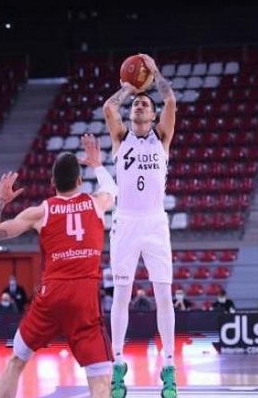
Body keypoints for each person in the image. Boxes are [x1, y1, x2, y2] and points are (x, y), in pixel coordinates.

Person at [0, 134, 117, 398]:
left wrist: (1, 201)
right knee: (101, 380)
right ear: (79, 181)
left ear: (52, 183)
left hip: (51, 297)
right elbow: (113, 189)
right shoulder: (96, 203)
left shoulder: (41, 212)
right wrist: (97, 165)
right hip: (84, 298)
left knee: (16, 362)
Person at [103, 53, 178, 398]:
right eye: (136, 104)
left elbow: (171, 101)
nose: (139, 105)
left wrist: (155, 74)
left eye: (145, 104)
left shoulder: (162, 138)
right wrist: (128, 89)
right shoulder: (121, 138)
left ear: (152, 114)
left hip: (155, 223)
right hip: (126, 223)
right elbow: (108, 108)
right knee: (120, 296)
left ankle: (169, 366)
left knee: (164, 296)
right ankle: (118, 364)